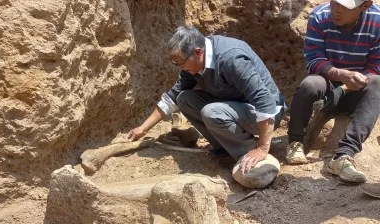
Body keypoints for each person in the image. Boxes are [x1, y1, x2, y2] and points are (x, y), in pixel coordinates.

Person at [128, 25, 285, 181]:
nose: (180, 68)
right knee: (185, 99)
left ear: (198, 52)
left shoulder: (231, 59)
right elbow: (173, 97)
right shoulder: (194, 63)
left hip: (268, 113)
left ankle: (248, 152)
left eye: (181, 63)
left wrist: (263, 148)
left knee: (212, 112)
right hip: (236, 106)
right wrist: (143, 128)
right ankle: (224, 149)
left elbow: (264, 101)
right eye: (176, 64)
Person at [286, 0, 380, 183]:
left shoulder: (377, 20)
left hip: (361, 88)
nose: (336, 11)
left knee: (378, 83)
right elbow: (313, 59)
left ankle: (344, 155)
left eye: (345, 7)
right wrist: (340, 75)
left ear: (365, 5)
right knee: (309, 84)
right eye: (334, 2)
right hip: (328, 84)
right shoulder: (319, 16)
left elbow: (377, 66)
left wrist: (347, 86)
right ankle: (295, 141)